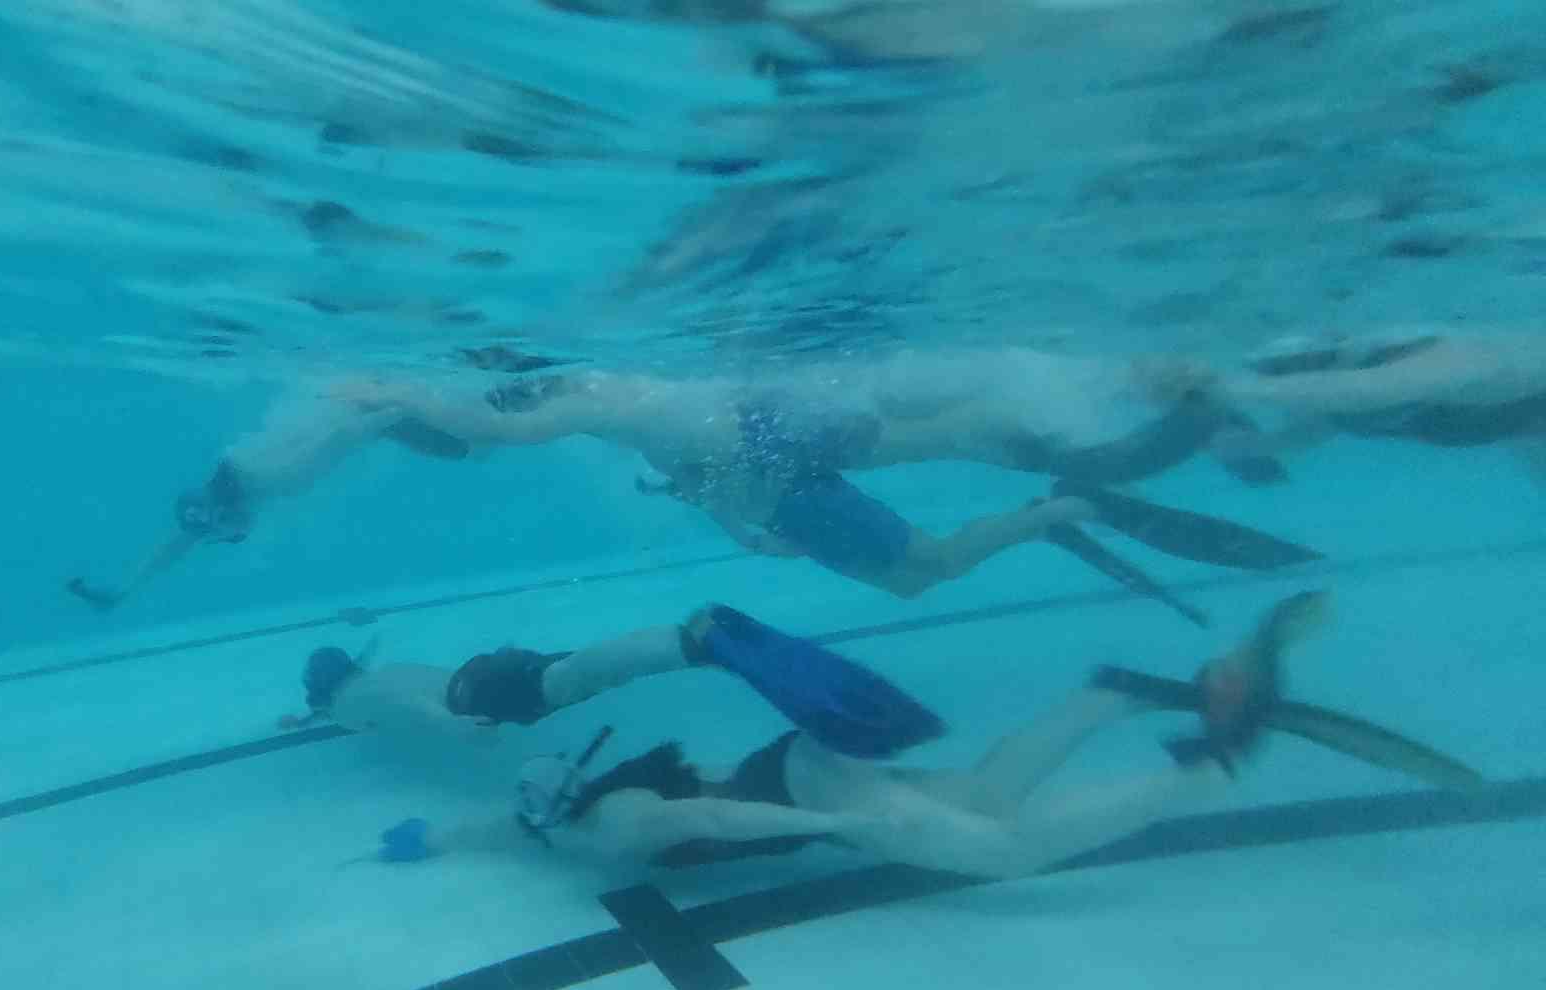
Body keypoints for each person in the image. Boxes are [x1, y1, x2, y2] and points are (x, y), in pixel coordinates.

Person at [365, 591, 1481, 877]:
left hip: (814, 799)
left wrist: (846, 836)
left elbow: (707, 815)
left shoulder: (609, 833)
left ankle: (1201, 768)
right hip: (809, 769)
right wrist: (431, 840)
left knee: (999, 853)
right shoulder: (568, 817)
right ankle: (1108, 694)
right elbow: (494, 826)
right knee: (990, 796)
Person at [330, 365, 1318, 603]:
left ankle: (1066, 505)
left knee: (916, 574)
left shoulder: (587, 398)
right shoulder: (633, 390)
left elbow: (487, 426)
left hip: (789, 468)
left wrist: (385, 393)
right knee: (975, 425)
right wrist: (731, 530)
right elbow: (702, 464)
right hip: (788, 452)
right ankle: (1168, 419)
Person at [289, 603, 943, 757]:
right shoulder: (371, 671)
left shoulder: (353, 699)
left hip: (474, 693)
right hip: (486, 666)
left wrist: (453, 725)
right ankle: (690, 644)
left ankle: (696, 638)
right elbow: (392, 683)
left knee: (572, 680)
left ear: (326, 690)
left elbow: (401, 704)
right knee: (572, 670)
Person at [65, 394, 472, 611]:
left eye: (229, 536)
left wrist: (402, 407)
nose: (234, 537)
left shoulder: (272, 481)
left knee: (465, 448)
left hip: (369, 410)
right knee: (464, 443)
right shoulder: (231, 482)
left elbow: (338, 438)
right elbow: (171, 549)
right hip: (352, 407)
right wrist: (124, 590)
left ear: (226, 516)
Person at [1206, 328, 1546, 472]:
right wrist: (1270, 444)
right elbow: (1338, 412)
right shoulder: (1347, 382)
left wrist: (1226, 389)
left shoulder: (1454, 355)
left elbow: (1370, 390)